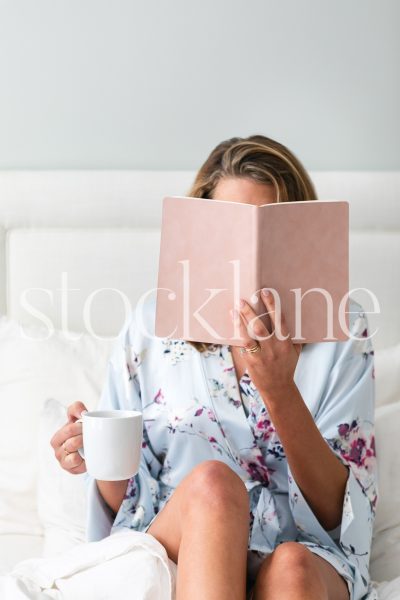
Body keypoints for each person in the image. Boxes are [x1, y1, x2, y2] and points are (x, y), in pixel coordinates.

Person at [50, 135, 378, 600]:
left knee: (295, 567)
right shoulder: (151, 326)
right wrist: (90, 454)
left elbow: (336, 514)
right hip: (183, 541)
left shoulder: (342, 331)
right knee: (212, 485)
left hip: (302, 552)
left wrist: (280, 390)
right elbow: (126, 501)